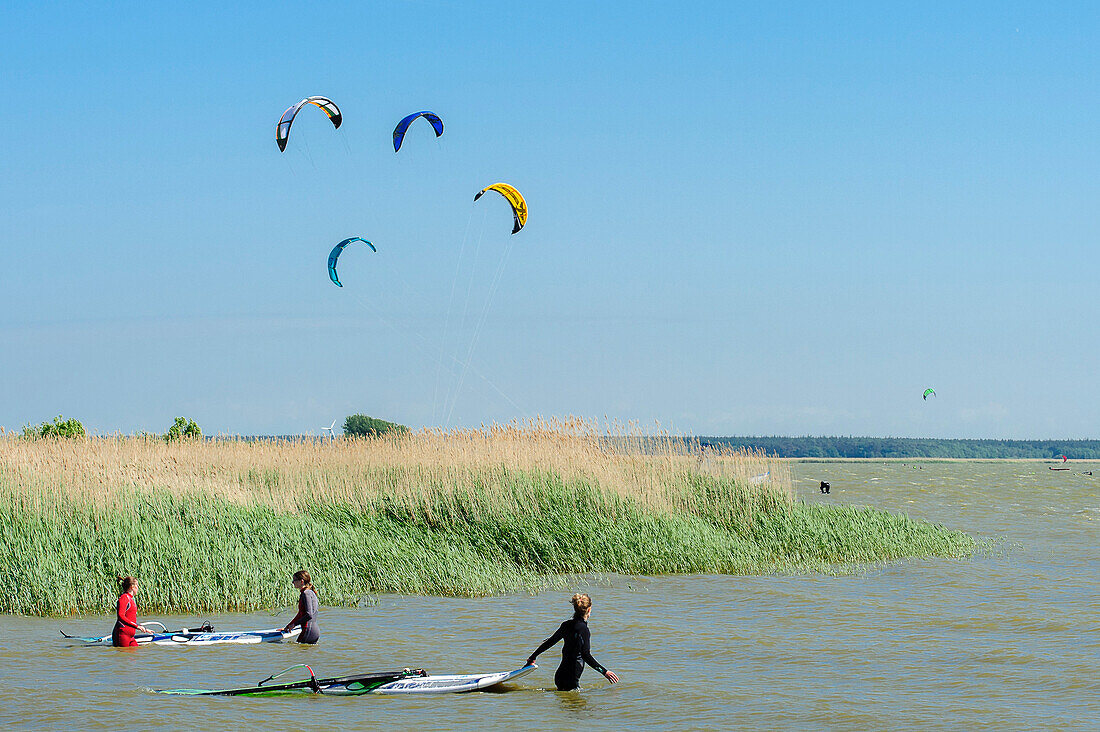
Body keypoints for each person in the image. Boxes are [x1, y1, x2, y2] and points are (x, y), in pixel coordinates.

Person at [525, 593, 619, 691]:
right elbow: (585, 655)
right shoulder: (584, 630)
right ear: (589, 609)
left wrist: (532, 658)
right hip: (572, 676)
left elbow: (550, 642)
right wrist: (604, 672)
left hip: (559, 676)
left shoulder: (566, 625)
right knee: (575, 704)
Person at [281, 570, 320, 644]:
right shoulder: (309, 592)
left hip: (308, 631)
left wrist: (294, 624)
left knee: (297, 653)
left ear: (301, 581)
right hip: (312, 631)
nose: (293, 582)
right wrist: (289, 626)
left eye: (294, 580)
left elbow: (309, 615)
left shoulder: (306, 594)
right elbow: (300, 614)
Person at [113, 576, 149, 647]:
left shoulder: (130, 599)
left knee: (136, 655)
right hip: (122, 635)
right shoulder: (124, 598)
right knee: (124, 657)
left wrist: (142, 628)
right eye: (137, 585)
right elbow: (120, 616)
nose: (138, 588)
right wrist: (136, 626)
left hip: (130, 636)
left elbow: (130, 618)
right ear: (132, 586)